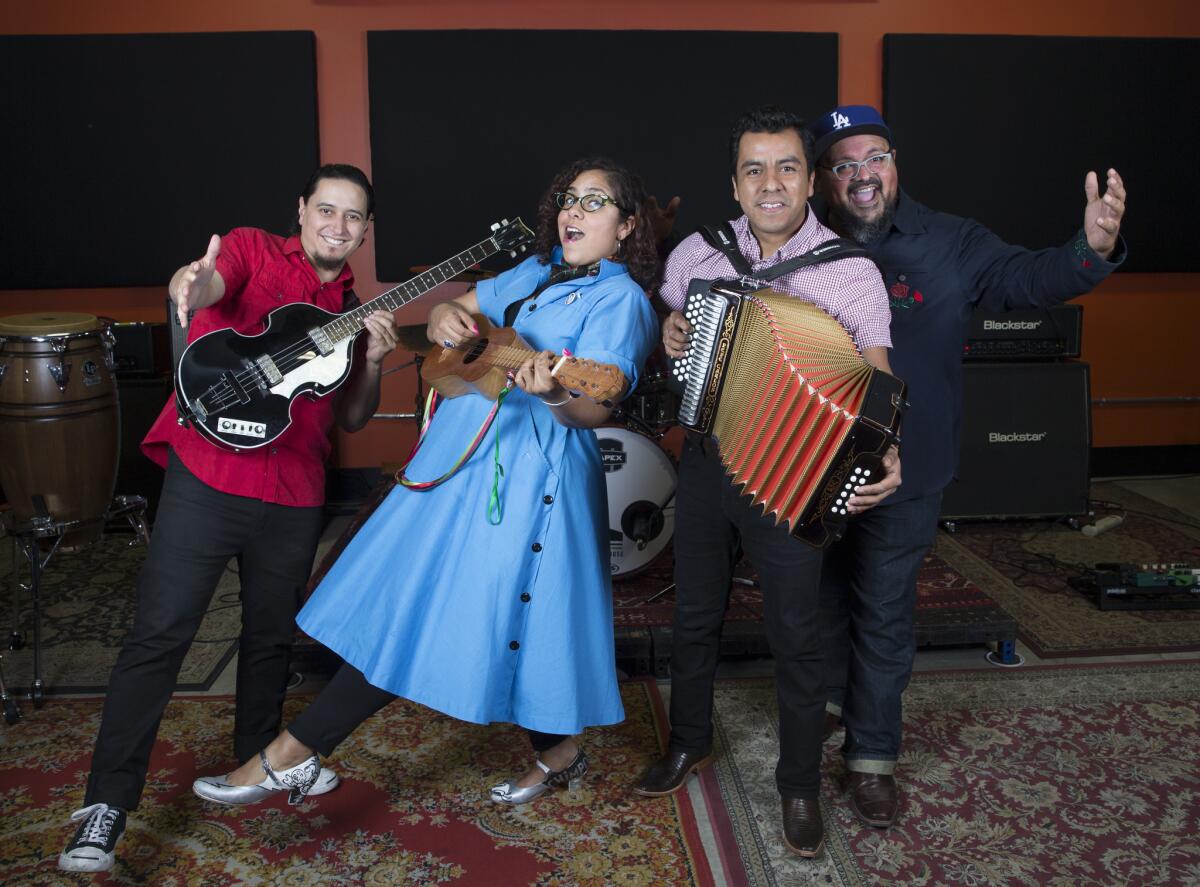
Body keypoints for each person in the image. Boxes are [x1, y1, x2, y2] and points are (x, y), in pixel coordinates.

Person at [189, 157, 660, 811]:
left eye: (596, 202)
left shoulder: (623, 300)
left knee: (433, 613)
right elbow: (460, 309)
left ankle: (289, 754)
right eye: (568, 199)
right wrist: (444, 315)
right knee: (480, 615)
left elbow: (596, 405)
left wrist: (554, 391)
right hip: (459, 465)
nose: (574, 212)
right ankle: (559, 752)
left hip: (527, 485)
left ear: (627, 224)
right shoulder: (536, 270)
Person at [58, 164, 398, 874]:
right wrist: (192, 285)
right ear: (301, 210)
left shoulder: (355, 309)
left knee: (271, 636)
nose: (338, 226)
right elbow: (209, 284)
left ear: (365, 232)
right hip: (210, 479)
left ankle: (260, 763)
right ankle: (105, 805)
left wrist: (372, 361)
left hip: (296, 490)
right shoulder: (246, 249)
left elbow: (356, 417)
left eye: (354, 217)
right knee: (159, 635)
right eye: (327, 210)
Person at [808, 105, 1127, 829]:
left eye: (876, 157)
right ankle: (829, 704)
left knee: (884, 611)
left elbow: (1028, 278)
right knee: (820, 602)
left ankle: (873, 757)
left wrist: (1092, 247)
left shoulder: (950, 239)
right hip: (810, 467)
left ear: (897, 164)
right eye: (845, 163)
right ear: (825, 178)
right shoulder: (798, 239)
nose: (863, 176)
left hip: (912, 467)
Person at [633, 106, 897, 859]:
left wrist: (884, 452)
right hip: (712, 459)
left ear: (811, 179)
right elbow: (675, 336)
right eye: (755, 169)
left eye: (786, 167)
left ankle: (799, 786)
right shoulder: (697, 254)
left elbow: (877, 384)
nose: (771, 183)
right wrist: (670, 335)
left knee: (797, 633)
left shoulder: (849, 272)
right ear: (736, 183)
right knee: (693, 615)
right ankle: (688, 742)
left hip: (795, 473)